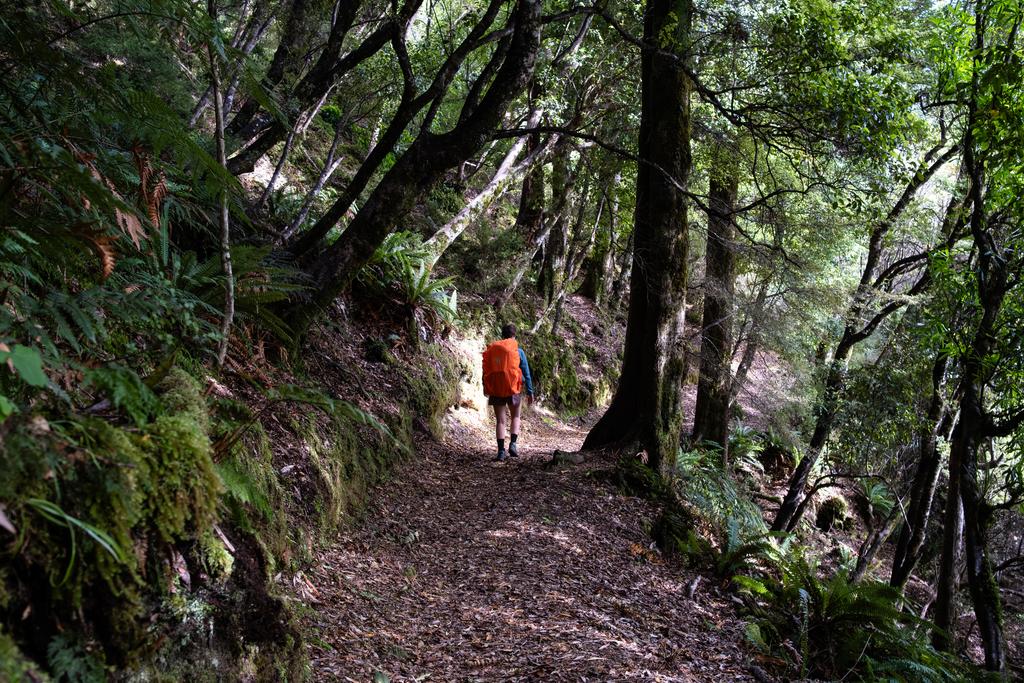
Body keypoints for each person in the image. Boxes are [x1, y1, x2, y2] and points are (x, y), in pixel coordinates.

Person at [482, 323, 534, 461]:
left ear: (502, 336)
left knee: (500, 421)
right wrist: (530, 391)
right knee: (516, 417)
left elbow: (486, 370)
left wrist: (486, 387)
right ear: (514, 336)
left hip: (497, 389)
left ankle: (500, 451)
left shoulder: (494, 350)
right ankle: (513, 444)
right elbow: (526, 373)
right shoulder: (518, 352)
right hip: (513, 389)